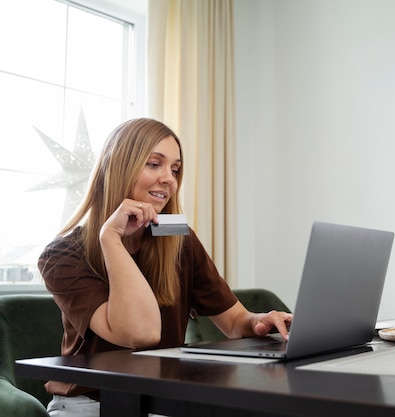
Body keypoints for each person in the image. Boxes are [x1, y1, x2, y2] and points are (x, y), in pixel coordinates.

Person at [38, 118, 292, 416]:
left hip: (162, 400)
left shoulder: (179, 243)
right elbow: (140, 333)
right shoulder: (62, 255)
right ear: (119, 166)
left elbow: (235, 322)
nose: (169, 179)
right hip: (91, 403)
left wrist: (260, 321)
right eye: (154, 164)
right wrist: (111, 239)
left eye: (175, 169)